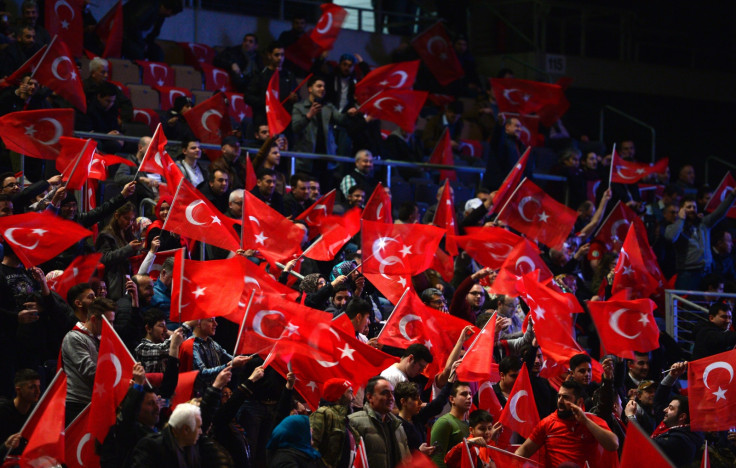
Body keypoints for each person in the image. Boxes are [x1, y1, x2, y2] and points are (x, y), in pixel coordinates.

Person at [515, 380, 619, 467]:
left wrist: (586, 422)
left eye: (566, 397)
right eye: (559, 396)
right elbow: (525, 449)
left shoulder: (591, 421)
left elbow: (613, 445)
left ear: (579, 402)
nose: (560, 401)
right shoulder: (547, 423)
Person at [665, 189, 736, 290]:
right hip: (688, 275)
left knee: (704, 305)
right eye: (688, 207)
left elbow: (720, 213)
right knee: (686, 305)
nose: (692, 209)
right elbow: (671, 237)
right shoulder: (674, 227)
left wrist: (732, 195)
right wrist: (681, 219)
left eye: (694, 207)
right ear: (681, 210)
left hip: (707, 273)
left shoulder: (703, 224)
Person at [62, 297, 116, 425]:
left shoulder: (102, 339)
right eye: (109, 322)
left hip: (95, 402)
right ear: (93, 319)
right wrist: (119, 380)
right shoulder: (74, 338)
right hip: (78, 405)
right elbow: (89, 370)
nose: (112, 327)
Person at [348, 376, 410, 468]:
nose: (391, 398)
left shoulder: (398, 425)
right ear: (370, 397)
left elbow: (407, 459)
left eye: (392, 393)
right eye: (385, 393)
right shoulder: (355, 422)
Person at [129, 402, 202, 467]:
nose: (200, 432)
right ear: (186, 430)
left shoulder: (191, 448)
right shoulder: (151, 447)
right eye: (198, 427)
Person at [95, 202, 143, 301]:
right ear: (117, 215)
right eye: (126, 218)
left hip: (128, 281)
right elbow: (105, 258)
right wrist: (129, 248)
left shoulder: (129, 234)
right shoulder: (106, 235)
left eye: (132, 220)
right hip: (114, 284)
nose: (129, 223)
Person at [309, 378, 359, 467]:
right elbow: (312, 446)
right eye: (350, 392)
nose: (354, 398)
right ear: (339, 395)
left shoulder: (345, 419)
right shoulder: (322, 414)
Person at [652, 395, 704, 467]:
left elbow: (646, 448)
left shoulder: (678, 440)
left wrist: (631, 418)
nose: (665, 410)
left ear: (682, 417)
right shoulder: (687, 434)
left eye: (671, 408)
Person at [430, 381, 473, 467]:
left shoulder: (468, 424)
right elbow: (437, 459)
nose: (469, 397)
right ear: (452, 399)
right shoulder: (444, 422)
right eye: (464, 394)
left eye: (470, 394)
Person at [0, 369, 40, 456]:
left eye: (38, 386)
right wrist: (6, 446)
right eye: (32, 387)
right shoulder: (3, 411)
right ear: (19, 390)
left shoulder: (37, 411)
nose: (38, 391)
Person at [135, 308, 186, 373]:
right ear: (148, 328)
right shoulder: (142, 348)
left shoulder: (164, 342)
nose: (165, 330)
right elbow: (165, 348)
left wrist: (168, 332)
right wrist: (187, 325)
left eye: (165, 326)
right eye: (161, 326)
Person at [83, 57, 133, 123]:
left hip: (111, 123)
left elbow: (126, 103)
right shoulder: (84, 87)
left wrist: (123, 120)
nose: (106, 75)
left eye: (107, 72)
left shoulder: (112, 88)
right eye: (103, 72)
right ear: (93, 73)